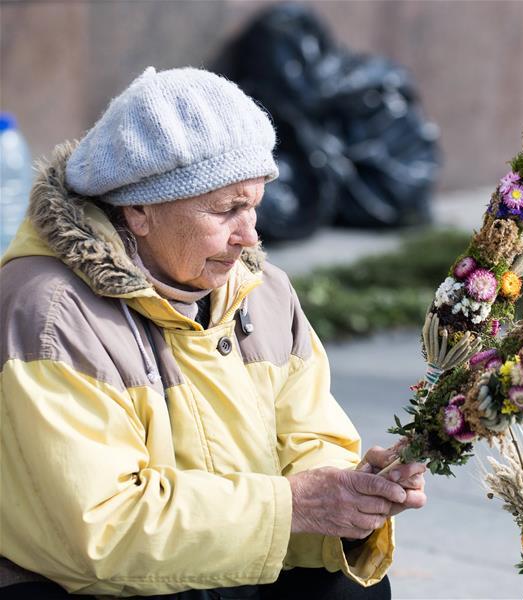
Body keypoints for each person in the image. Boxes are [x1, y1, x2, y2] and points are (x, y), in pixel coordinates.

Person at [0, 67, 426, 598]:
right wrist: (292, 505)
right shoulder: (53, 312)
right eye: (227, 209)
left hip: (222, 554)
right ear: (139, 210)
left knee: (348, 586)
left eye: (254, 204)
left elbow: (311, 441)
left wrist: (349, 493)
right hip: (87, 584)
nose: (249, 236)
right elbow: (102, 529)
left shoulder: (263, 292)